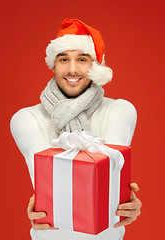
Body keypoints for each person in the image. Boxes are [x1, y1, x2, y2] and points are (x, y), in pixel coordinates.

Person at [10, 18, 142, 240]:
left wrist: (127, 201)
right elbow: (49, 178)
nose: (72, 69)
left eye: (82, 59)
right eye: (64, 59)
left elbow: (108, 171)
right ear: (53, 64)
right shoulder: (26, 118)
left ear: (95, 65)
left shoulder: (120, 110)